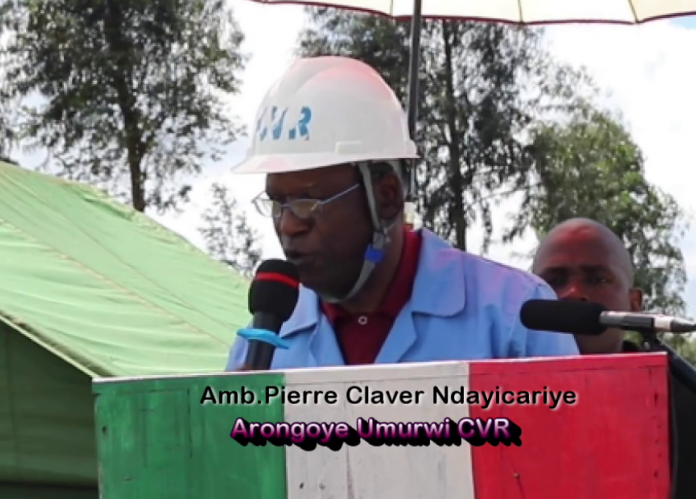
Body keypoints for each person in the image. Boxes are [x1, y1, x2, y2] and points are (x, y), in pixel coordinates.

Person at [224, 57, 579, 370]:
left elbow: (574, 444)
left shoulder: (515, 316)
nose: (288, 225)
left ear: (387, 196)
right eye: (277, 203)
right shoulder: (265, 343)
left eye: (307, 201)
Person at [531, 218, 696, 499]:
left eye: (597, 279)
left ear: (634, 304)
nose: (573, 293)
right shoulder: (490, 402)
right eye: (554, 281)